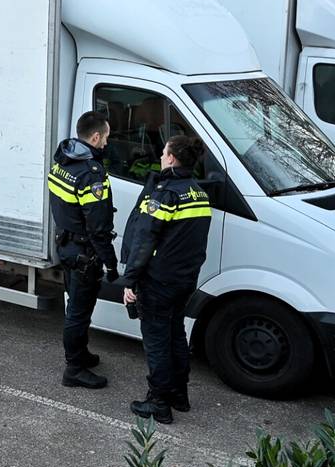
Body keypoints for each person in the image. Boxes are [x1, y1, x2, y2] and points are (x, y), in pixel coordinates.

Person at [118, 135, 212, 424]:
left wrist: (130, 280)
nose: (160, 157)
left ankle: (158, 402)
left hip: (158, 281)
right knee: (176, 335)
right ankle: (179, 395)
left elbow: (145, 240)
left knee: (157, 341)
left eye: (163, 153)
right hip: (185, 280)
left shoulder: (165, 194)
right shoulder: (198, 193)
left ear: (171, 158)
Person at [47, 110, 118, 389]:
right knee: (78, 311)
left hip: (67, 246)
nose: (107, 143)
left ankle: (81, 353)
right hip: (84, 253)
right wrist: (110, 262)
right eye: (106, 137)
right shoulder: (91, 174)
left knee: (76, 306)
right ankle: (74, 369)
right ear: (96, 136)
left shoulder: (63, 160)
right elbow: (98, 227)